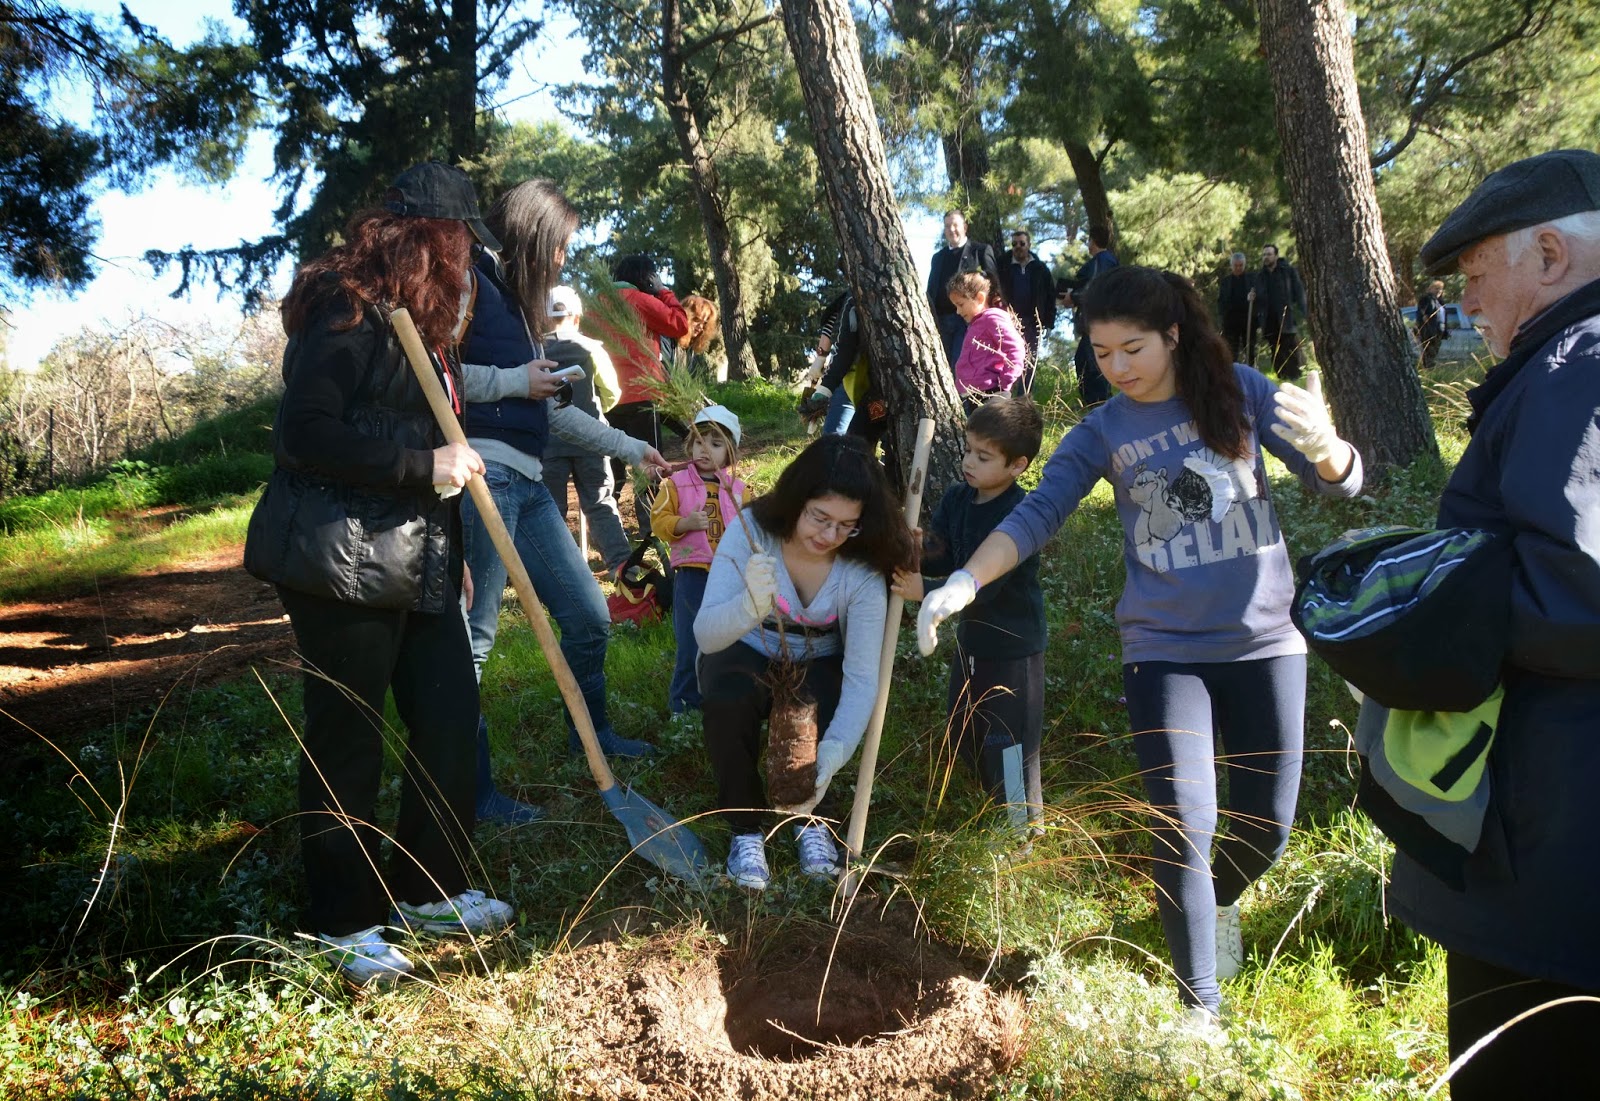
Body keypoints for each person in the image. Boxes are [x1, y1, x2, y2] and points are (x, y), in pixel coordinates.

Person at [916, 265, 1363, 1020]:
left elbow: (1340, 484)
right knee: (1187, 824)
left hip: (1264, 642)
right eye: (1101, 351)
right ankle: (1201, 1010)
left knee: (1268, 828)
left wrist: (1330, 449)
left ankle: (1210, 904)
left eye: (1132, 348)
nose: (1116, 367)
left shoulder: (1240, 390)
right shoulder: (1102, 430)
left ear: (1174, 335)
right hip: (1162, 649)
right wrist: (964, 579)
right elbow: (1038, 514)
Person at [242, 162, 517, 985]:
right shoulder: (347, 307)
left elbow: (442, 453)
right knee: (346, 737)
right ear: (428, 238)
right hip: (340, 559)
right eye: (463, 238)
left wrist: (454, 561)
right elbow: (305, 433)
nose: (471, 255)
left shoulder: (425, 324)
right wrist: (419, 463)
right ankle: (343, 919)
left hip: (418, 561)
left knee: (447, 716)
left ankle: (429, 888)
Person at [1393, 148, 1600, 1099]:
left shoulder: (1576, 364)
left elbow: (1578, 592)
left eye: (1477, 275)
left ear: (1550, 256)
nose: (1466, 304)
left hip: (1553, 859)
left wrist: (1407, 626)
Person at [460, 181, 675, 822]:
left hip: (526, 481)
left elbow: (554, 417)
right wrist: (511, 380)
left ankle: (593, 732)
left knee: (589, 615)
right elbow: (435, 372)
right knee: (475, 638)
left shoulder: (521, 312)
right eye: (557, 246)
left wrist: (634, 449)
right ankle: (473, 791)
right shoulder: (471, 284)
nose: (560, 260)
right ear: (530, 234)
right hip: (482, 477)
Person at [695, 433, 914, 890]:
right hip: (747, 645)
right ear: (796, 500)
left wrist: (829, 760)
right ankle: (746, 827)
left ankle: (811, 819)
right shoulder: (752, 530)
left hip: (820, 657)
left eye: (846, 524)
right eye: (820, 517)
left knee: (820, 704)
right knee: (727, 697)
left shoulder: (861, 564)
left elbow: (860, 679)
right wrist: (750, 607)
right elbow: (707, 636)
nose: (829, 536)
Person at [892, 398, 1047, 827]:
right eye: (967, 450)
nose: (968, 462)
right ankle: (983, 806)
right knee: (965, 726)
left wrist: (922, 590)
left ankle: (1021, 826)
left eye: (983, 456)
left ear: (1017, 465)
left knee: (1008, 739)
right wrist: (918, 547)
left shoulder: (1020, 514)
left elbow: (987, 585)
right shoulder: (960, 498)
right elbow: (943, 554)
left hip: (1014, 652)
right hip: (973, 643)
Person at [652, 405, 745, 714]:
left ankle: (722, 701)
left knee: (729, 641)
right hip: (693, 575)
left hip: (730, 577)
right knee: (691, 643)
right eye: (699, 442)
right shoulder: (674, 485)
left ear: (729, 452)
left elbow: (753, 529)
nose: (705, 450)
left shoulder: (740, 491)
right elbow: (659, 521)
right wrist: (683, 524)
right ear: (689, 445)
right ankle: (683, 707)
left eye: (716, 444)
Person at [541, 285, 632, 580]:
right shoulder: (593, 348)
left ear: (543, 317)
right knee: (600, 502)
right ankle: (621, 565)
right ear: (578, 317)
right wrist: (599, 411)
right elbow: (612, 392)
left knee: (551, 509)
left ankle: (554, 573)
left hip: (548, 442)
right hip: (591, 439)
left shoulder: (535, 350)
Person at [603, 254, 690, 536]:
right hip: (643, 395)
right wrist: (663, 290)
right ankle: (651, 529)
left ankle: (610, 531)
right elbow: (679, 325)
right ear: (646, 277)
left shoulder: (597, 303)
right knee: (650, 466)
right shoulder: (640, 300)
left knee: (612, 469)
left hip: (607, 399)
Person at [927, 209, 1004, 366]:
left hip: (969, 320)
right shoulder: (938, 258)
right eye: (947, 226)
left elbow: (993, 281)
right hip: (941, 321)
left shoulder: (980, 251)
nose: (951, 230)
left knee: (960, 363)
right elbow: (932, 289)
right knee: (942, 365)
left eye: (955, 225)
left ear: (965, 227)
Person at [948, 270, 1027, 409]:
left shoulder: (992, 318)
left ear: (979, 298)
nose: (958, 311)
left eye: (960, 304)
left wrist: (1005, 385)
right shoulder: (975, 324)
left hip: (989, 395)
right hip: (972, 396)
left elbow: (1016, 348)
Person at [1059, 224, 1119, 405]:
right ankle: (1094, 406)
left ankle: (1099, 405)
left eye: (1089, 241)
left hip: (1098, 323)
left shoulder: (1103, 260)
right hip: (1096, 322)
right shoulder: (1105, 261)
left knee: (1091, 366)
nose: (1088, 245)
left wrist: (1074, 296)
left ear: (1093, 241)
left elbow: (1096, 288)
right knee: (1084, 362)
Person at [1006, 229, 1058, 392]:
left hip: (1033, 322)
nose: (1018, 247)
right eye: (1014, 244)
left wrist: (1048, 322)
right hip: (1009, 322)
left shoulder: (1040, 268)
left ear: (1029, 245)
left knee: (1029, 362)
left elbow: (1050, 296)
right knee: (1008, 361)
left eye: (1022, 243)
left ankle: (1024, 400)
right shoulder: (1004, 266)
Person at [1256, 244, 1306, 381]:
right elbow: (1258, 299)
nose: (1266, 257)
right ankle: (1282, 377)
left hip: (1286, 317)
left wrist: (1305, 311)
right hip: (1269, 320)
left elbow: (1299, 292)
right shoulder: (1260, 276)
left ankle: (1296, 376)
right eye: (1264, 255)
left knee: (1290, 347)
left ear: (1276, 256)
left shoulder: (1288, 271)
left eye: (1269, 254)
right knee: (1275, 349)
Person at [1217, 252, 1255, 365]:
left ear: (1244, 265)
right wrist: (1222, 318)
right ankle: (1232, 372)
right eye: (1236, 265)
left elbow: (1260, 295)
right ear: (1231, 266)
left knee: (1249, 348)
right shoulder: (1226, 282)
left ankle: (1251, 370)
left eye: (1241, 265)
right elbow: (1221, 301)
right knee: (1231, 350)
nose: (1238, 268)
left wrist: (1253, 298)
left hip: (1248, 319)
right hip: (1231, 321)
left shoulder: (1252, 279)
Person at [679, 293, 720, 375]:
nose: (700, 327)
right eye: (697, 320)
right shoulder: (667, 342)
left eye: (704, 323)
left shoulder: (693, 353)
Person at [1414, 278, 1447, 369]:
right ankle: (1428, 370)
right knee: (1428, 354)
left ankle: (1430, 369)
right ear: (1430, 289)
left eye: (1440, 289)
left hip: (1438, 332)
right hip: (1428, 333)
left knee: (1434, 354)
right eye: (1436, 288)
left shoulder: (1440, 302)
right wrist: (1428, 330)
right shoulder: (1426, 299)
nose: (1438, 291)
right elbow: (1423, 315)